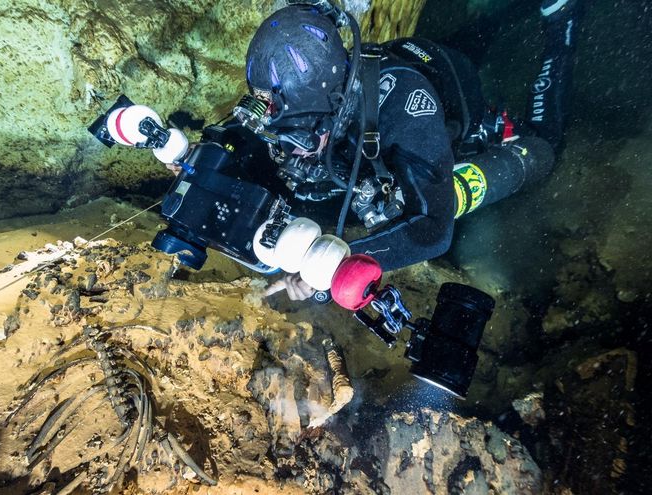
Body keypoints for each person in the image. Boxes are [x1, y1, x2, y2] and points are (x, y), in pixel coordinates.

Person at [233, 0, 585, 300]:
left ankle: (561, 18)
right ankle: (500, 16)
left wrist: (333, 262)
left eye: (301, 136)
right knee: (474, 39)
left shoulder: (407, 113)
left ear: (330, 109)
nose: (292, 151)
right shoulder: (317, 97)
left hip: (452, 96)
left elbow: (434, 229)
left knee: (545, 147)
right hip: (420, 56)